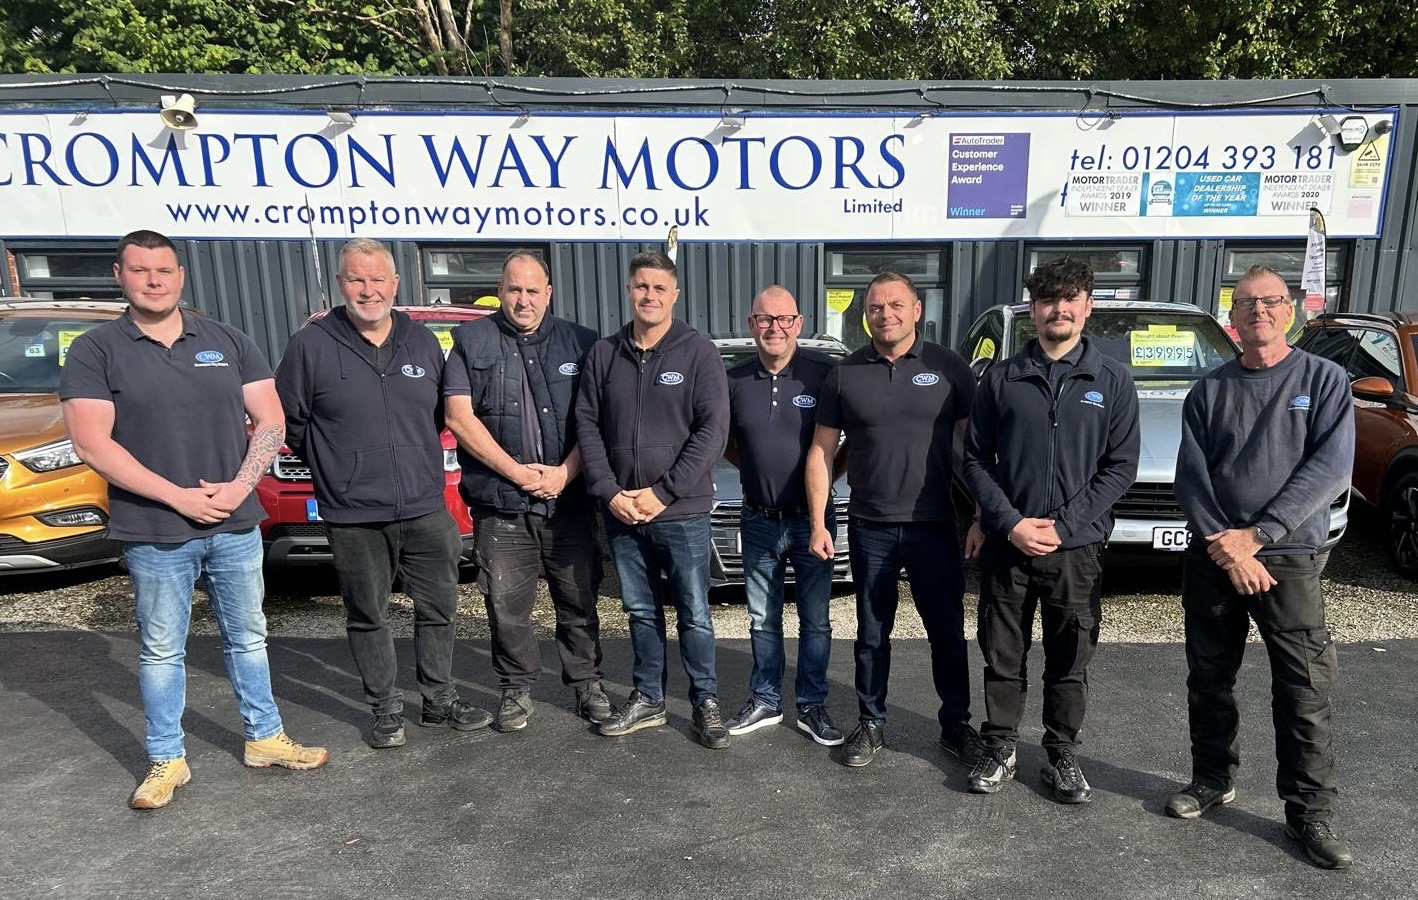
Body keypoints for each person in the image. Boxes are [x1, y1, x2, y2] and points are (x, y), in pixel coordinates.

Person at [61, 229, 328, 810]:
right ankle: (167, 759)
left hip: (234, 522)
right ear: (119, 276)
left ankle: (264, 738)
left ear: (181, 276)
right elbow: (92, 443)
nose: (153, 281)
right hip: (155, 529)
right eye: (140, 270)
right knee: (162, 649)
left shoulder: (228, 340)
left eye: (164, 270)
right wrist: (177, 497)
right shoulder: (95, 349)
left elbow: (271, 421)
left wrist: (239, 487)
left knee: (249, 637)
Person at [1168, 265, 1355, 870]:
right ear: (1233, 316)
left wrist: (1259, 537)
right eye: (1246, 303)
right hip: (1215, 557)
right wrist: (1228, 547)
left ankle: (1309, 814)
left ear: (1290, 309)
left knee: (1303, 688)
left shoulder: (1323, 379)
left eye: (1270, 301)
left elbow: (1330, 469)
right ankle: (1211, 778)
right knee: (1209, 678)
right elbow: (1191, 479)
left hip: (1289, 560)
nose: (1259, 312)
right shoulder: (1208, 391)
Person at [275, 238, 491, 750]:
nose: (368, 290)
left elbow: (438, 416)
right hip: (354, 514)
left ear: (395, 284)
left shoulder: (421, 343)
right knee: (368, 614)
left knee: (438, 608)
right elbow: (291, 423)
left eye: (377, 279)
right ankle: (386, 708)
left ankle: (438, 700)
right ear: (340, 284)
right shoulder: (310, 346)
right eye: (357, 279)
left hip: (425, 505)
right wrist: (338, 469)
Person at [961, 257, 1139, 802]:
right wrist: (1010, 523)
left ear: (1087, 306)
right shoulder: (1001, 378)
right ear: (1033, 309)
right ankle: (1000, 745)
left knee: (1070, 659)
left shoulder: (1111, 380)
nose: (1058, 309)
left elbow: (1120, 467)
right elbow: (974, 461)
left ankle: (1061, 753)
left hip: (1075, 549)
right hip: (1009, 545)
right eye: (1047, 300)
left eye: (1069, 299)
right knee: (1002, 654)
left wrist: (1064, 526)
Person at [805, 271, 981, 767]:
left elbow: (978, 446)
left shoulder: (948, 366)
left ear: (917, 310)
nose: (886, 314)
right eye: (876, 307)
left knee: (946, 632)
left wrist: (983, 514)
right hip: (869, 526)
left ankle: (956, 724)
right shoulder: (845, 374)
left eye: (896, 304)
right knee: (871, 633)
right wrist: (818, 522)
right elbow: (821, 452)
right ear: (866, 314)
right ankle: (871, 722)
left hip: (934, 525)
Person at [442, 250, 609, 731]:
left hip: (569, 501)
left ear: (548, 293)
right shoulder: (470, 342)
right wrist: (517, 473)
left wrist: (564, 474)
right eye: (514, 289)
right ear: (500, 290)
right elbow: (458, 417)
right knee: (506, 606)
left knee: (578, 600)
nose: (523, 300)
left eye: (533, 290)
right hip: (501, 503)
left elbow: (598, 419)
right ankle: (515, 689)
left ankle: (587, 684)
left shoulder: (583, 343)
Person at [574, 250, 731, 749]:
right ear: (629, 290)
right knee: (641, 612)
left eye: (660, 288)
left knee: (694, 612)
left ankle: (705, 702)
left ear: (675, 294)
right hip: (623, 510)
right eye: (642, 286)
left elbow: (712, 432)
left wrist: (664, 493)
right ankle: (648, 698)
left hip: (680, 511)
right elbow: (587, 427)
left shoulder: (698, 353)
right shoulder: (605, 354)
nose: (650, 295)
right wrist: (609, 492)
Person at [722, 286, 843, 746]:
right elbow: (724, 441)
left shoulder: (824, 373)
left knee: (816, 620)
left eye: (784, 318)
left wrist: (827, 481)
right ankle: (766, 699)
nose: (775, 327)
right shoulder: (733, 380)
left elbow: (845, 442)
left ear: (800, 323)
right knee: (762, 618)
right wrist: (754, 473)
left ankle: (812, 705)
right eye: (764, 319)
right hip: (757, 519)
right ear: (751, 324)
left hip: (812, 519)